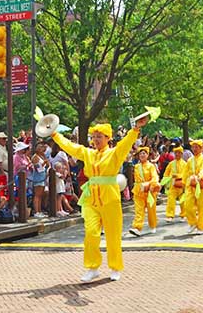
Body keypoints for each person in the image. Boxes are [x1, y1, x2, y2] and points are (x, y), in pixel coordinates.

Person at [52, 117, 148, 282]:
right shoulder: (88, 153)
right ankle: (93, 267)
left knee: (113, 234)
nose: (95, 140)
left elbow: (125, 144)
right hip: (90, 197)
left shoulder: (114, 153)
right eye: (94, 136)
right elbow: (71, 147)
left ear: (107, 138)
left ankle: (115, 267)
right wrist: (54, 134)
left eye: (99, 136)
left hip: (110, 197)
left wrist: (135, 130)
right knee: (91, 232)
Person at [181, 140, 203, 235]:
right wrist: (184, 183)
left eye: (197, 147)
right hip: (191, 186)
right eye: (193, 147)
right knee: (187, 205)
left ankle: (201, 227)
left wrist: (199, 177)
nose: (195, 149)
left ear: (202, 148)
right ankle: (192, 223)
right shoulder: (190, 160)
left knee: (202, 207)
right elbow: (185, 173)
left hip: (200, 184)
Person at [130, 147, 160, 236]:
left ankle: (153, 225)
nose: (142, 155)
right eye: (140, 154)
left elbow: (155, 178)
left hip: (150, 190)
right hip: (138, 190)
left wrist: (148, 184)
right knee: (139, 210)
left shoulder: (151, 166)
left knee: (151, 210)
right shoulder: (136, 167)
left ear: (147, 155)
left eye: (144, 153)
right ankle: (137, 227)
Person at [162, 146, 186, 222]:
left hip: (182, 185)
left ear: (182, 154)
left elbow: (186, 174)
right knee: (170, 200)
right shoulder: (171, 164)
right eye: (176, 153)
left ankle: (184, 215)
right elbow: (165, 174)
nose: (177, 154)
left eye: (179, 153)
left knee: (183, 201)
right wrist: (166, 181)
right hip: (173, 185)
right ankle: (170, 215)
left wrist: (178, 176)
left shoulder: (185, 164)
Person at [30, 142, 50, 218]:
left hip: (43, 177)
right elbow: (37, 168)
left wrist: (46, 164)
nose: (41, 148)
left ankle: (40, 210)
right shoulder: (35, 157)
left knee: (41, 195)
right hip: (38, 177)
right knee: (37, 195)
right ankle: (36, 211)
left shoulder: (42, 156)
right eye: (40, 147)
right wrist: (43, 164)